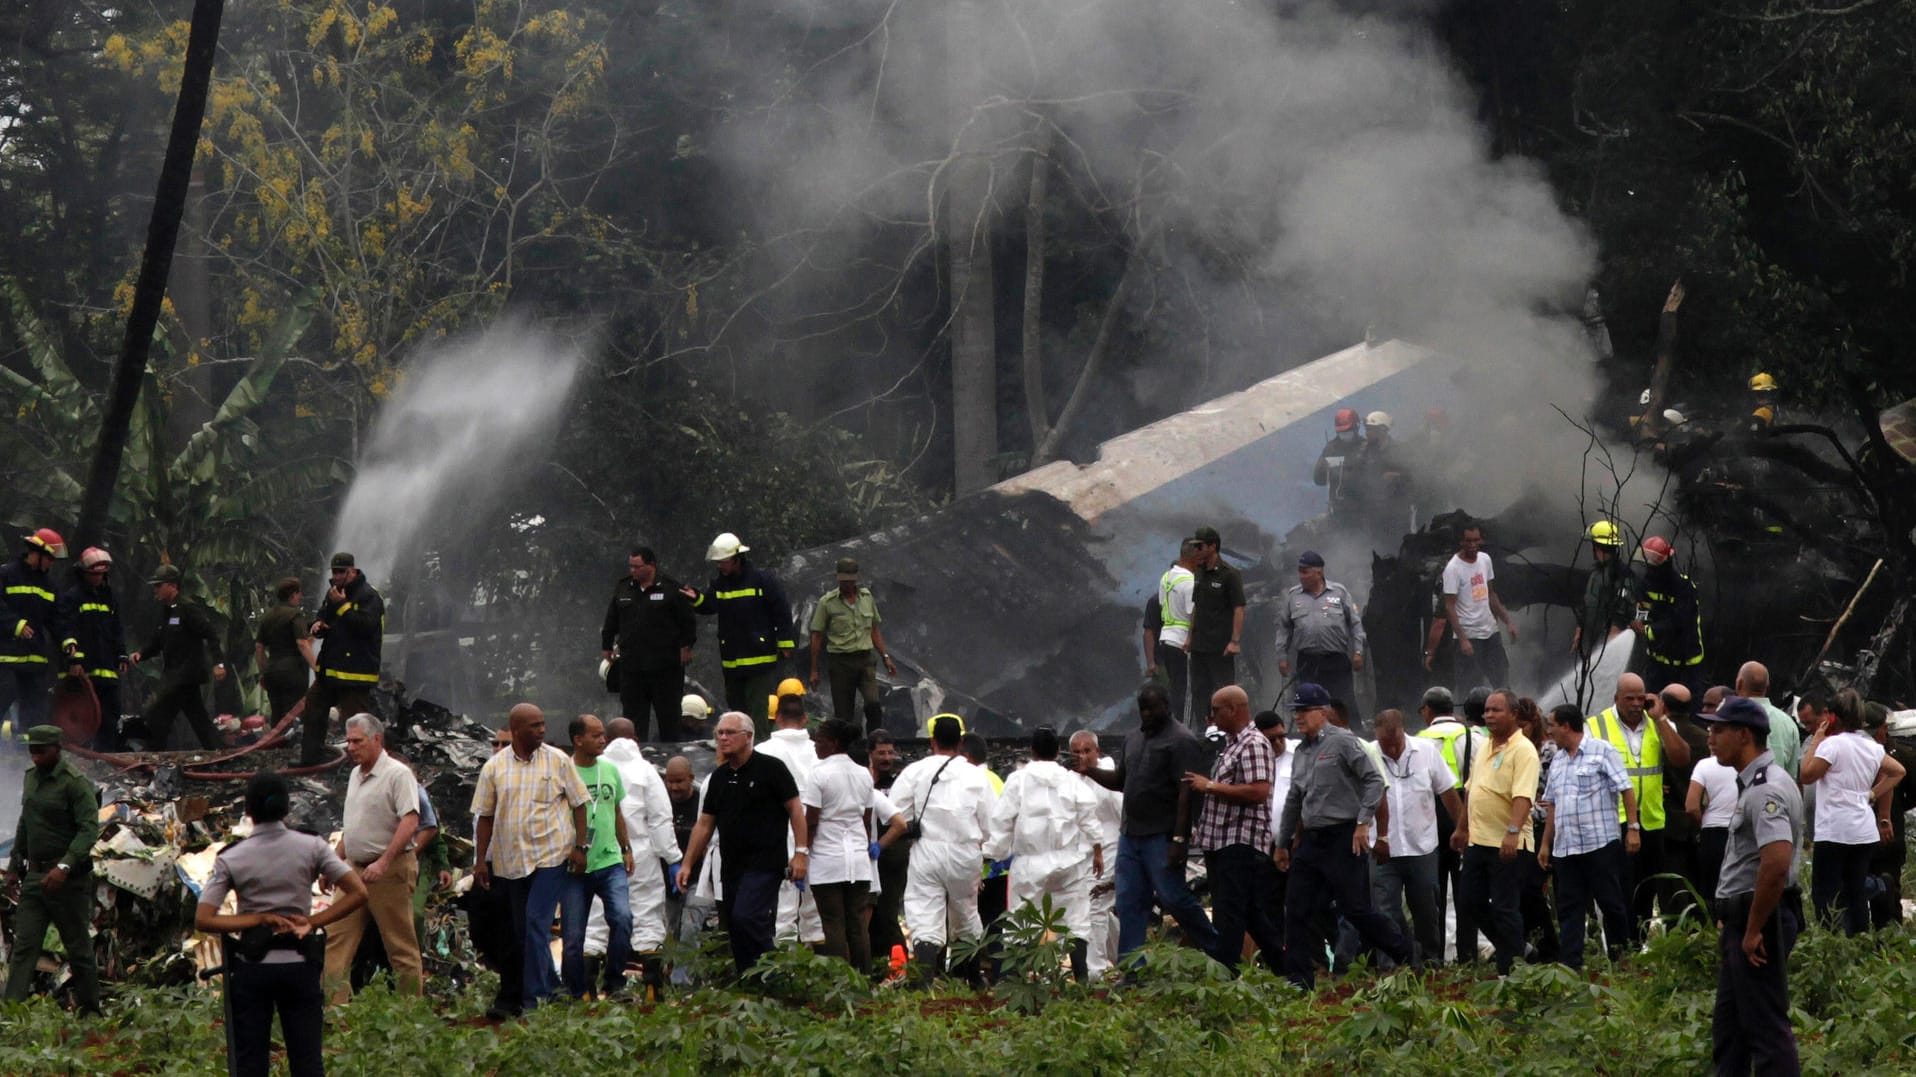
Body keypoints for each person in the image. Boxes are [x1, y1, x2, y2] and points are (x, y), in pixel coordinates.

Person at [196, 771, 368, 1077]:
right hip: (300, 965)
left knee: (251, 1062)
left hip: (252, 970)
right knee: (307, 1060)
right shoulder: (313, 847)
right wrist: (313, 921)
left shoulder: (232, 858)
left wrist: (257, 918)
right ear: (287, 809)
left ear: (248, 812)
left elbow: (204, 918)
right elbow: (358, 892)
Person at [1274, 683, 1410, 988]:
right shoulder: (1301, 751)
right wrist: (1283, 843)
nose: (1299, 717)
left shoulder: (1344, 742)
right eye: (1296, 711)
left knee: (1355, 909)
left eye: (1305, 710)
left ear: (1322, 712)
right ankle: (1299, 979)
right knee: (1295, 907)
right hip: (1312, 839)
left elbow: (1375, 781)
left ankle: (1403, 950)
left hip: (1343, 836)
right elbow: (1294, 799)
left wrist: (1364, 823)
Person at [1699, 695, 1804, 1075]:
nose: (1710, 737)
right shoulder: (1754, 782)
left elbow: (1775, 865)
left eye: (1718, 730)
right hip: (1744, 918)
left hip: (1761, 920)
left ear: (1744, 735)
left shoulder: (1766, 790)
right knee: (1730, 1028)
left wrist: (1754, 927)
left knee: (1765, 1027)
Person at [1084, 684, 1218, 963]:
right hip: (1130, 834)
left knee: (1174, 899)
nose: (1146, 714)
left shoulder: (1181, 740)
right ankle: (1133, 970)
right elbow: (1121, 781)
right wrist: (1090, 771)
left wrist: (1180, 839)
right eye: (1142, 708)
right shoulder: (1133, 738)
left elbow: (1187, 792)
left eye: (1152, 708)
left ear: (1166, 706)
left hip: (1162, 835)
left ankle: (1220, 952)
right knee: (1129, 902)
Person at [471, 702, 592, 1013]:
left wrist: (581, 846)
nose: (542, 730)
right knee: (524, 932)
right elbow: (485, 816)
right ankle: (553, 988)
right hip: (511, 862)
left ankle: (533, 1001)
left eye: (542, 724)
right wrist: (480, 860)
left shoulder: (557, 761)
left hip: (550, 857)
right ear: (515, 731)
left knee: (537, 924)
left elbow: (580, 804)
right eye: (534, 726)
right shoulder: (494, 767)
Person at [677, 711, 808, 976]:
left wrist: (801, 853)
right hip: (731, 864)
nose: (722, 738)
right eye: (719, 733)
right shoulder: (719, 777)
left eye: (729, 733)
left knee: (747, 916)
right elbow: (704, 824)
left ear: (748, 737)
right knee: (735, 926)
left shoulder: (772, 768)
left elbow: (796, 810)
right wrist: (687, 863)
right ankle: (750, 979)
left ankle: (772, 974)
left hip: (765, 862)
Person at [987, 726, 1103, 980]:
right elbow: (1088, 817)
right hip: (1068, 862)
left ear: (1031, 751)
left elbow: (1003, 820)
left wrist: (994, 853)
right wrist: (1097, 850)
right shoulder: (1070, 779)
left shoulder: (1018, 780)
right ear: (1059, 751)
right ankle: (1081, 979)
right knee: (1076, 919)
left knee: (1021, 920)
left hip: (1030, 864)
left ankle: (1018, 981)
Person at [322, 714, 423, 1002]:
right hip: (353, 872)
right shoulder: (355, 775)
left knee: (399, 946)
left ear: (377, 739)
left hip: (389, 872)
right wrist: (333, 863)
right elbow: (352, 827)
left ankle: (409, 1014)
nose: (351, 747)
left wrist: (384, 862)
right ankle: (334, 1012)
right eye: (349, 741)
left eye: (357, 741)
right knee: (336, 939)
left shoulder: (397, 774)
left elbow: (411, 821)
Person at [887, 715, 994, 981]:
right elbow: (992, 823)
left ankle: (924, 980)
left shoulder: (915, 771)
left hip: (927, 851)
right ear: (960, 742)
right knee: (966, 913)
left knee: (924, 910)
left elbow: (894, 812)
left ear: (932, 741)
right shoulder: (977, 776)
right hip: (965, 854)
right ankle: (974, 981)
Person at [1185, 687, 1284, 975]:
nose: (1212, 716)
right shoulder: (1232, 744)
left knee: (1229, 915)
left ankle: (1225, 977)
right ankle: (1290, 973)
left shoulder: (1253, 743)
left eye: (1216, 710)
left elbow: (1259, 790)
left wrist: (1211, 786)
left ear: (1233, 709)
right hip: (1220, 842)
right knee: (1251, 914)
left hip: (1239, 842)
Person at [4, 725, 101, 1013]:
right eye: (31, 751)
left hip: (67, 881)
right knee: (24, 947)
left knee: (78, 948)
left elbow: (88, 830)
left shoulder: (74, 783)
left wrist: (64, 866)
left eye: (41, 752)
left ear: (57, 749)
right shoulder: (32, 779)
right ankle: (12, 1012)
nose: (35, 758)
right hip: (35, 877)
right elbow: (25, 824)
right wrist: (12, 867)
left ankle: (91, 1009)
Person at [1585, 673, 1691, 933]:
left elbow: (1681, 758)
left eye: (1640, 698)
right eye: (1629, 698)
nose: (1635, 704)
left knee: (1647, 888)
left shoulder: (1658, 723)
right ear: (1616, 698)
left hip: (1652, 820)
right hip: (1613, 820)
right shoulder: (1596, 725)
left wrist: (1661, 719)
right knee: (1618, 888)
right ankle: (1620, 945)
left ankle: (1638, 942)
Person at [1537, 704, 1639, 969]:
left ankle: (1621, 958)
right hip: (1566, 848)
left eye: (1552, 725)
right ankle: (1570, 964)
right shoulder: (1558, 760)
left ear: (1566, 726)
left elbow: (1626, 789)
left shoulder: (1602, 751)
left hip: (1599, 843)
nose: (1549, 731)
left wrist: (1633, 828)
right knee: (1569, 907)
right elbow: (1552, 805)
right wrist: (1546, 843)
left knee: (1610, 902)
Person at [588, 717, 681, 998]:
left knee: (596, 919)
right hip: (640, 855)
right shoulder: (646, 772)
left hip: (599, 853)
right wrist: (673, 858)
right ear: (636, 740)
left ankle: (586, 991)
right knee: (647, 916)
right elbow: (660, 820)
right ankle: (652, 988)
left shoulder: (595, 768)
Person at [1800, 689, 1905, 934]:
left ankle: (1831, 941)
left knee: (1825, 894)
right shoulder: (1870, 746)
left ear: (1833, 717)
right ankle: (1859, 937)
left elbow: (1807, 774)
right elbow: (1898, 771)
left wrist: (1817, 738)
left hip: (1834, 830)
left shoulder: (1832, 745)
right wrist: (1871, 794)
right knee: (1856, 891)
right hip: (1863, 831)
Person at [1451, 689, 1538, 977]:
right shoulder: (1485, 746)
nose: (1489, 715)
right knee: (1469, 902)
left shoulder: (1523, 750)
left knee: (1504, 907)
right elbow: (1471, 790)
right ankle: (1516, 947)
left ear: (1514, 714)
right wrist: (1462, 828)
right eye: (1487, 710)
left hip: (1508, 842)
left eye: (1496, 710)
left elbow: (1523, 797)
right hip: (1478, 840)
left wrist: (1512, 832)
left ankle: (1510, 973)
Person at [1370, 708, 1463, 968]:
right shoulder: (1368, 755)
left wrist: (1462, 828)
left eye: (1395, 743)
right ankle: (1390, 965)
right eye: (1384, 745)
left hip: (1422, 847)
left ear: (1403, 731)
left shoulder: (1427, 752)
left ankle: (1431, 962)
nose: (1390, 750)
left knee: (1426, 910)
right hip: (1382, 850)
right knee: (1384, 910)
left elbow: (1448, 794)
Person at [686, 533, 796, 738]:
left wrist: (785, 642)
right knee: (737, 712)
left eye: (724, 562)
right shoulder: (720, 584)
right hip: (732, 661)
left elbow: (781, 611)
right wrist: (696, 598)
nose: (720, 566)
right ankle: (739, 750)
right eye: (718, 562)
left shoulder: (763, 581)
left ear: (738, 559)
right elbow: (709, 605)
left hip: (759, 659)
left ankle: (759, 751)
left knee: (757, 712)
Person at [558, 714, 635, 998]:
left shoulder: (610, 770)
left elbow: (616, 811)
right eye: (596, 735)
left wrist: (626, 848)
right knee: (573, 937)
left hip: (609, 861)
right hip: (574, 869)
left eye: (604, 734)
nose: (603, 740)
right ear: (578, 740)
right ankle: (575, 991)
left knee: (622, 918)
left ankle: (615, 983)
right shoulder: (563, 772)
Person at [799, 719, 877, 972]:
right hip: (857, 858)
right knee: (857, 924)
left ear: (832, 744)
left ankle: (839, 982)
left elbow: (811, 821)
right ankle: (864, 978)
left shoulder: (819, 773)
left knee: (833, 923)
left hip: (827, 857)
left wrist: (802, 854)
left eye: (819, 741)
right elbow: (866, 819)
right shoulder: (864, 773)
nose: (815, 745)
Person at [601, 546, 697, 741]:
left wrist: (686, 646)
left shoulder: (671, 588)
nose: (633, 571)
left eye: (637, 566)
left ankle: (672, 759)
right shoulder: (623, 587)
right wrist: (607, 645)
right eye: (630, 566)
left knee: (669, 716)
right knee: (633, 719)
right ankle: (636, 756)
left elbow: (687, 621)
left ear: (651, 565)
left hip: (665, 667)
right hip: (632, 667)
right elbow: (612, 618)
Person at [753, 692, 826, 949]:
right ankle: (818, 963)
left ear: (777, 718)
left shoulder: (761, 752)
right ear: (805, 719)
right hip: (817, 829)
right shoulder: (820, 751)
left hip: (777, 829)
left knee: (783, 900)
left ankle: (783, 962)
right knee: (814, 901)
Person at [1416, 686, 1482, 964]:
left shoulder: (1418, 741)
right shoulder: (1471, 736)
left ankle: (1436, 954)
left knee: (1435, 890)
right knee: (1466, 886)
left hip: (1431, 815)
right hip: (1466, 812)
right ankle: (1468, 954)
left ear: (1427, 711)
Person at [128, 564, 224, 750]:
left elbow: (210, 633)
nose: (155, 589)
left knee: (158, 712)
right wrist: (142, 654)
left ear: (172, 586)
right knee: (197, 717)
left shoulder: (187, 608)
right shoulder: (168, 611)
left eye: (159, 585)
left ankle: (152, 754)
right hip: (177, 675)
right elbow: (159, 641)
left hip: (184, 675)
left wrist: (218, 663)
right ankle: (217, 751)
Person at [301, 553, 384, 766]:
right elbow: (324, 616)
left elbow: (365, 627)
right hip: (329, 671)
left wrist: (343, 605)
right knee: (312, 710)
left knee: (356, 723)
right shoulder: (333, 594)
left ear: (352, 571)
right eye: (334, 572)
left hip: (355, 674)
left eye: (341, 572)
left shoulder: (369, 596)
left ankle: (361, 766)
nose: (336, 577)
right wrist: (317, 625)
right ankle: (311, 759)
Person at [1424, 522, 1517, 690]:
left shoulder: (1485, 560)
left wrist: (1507, 621)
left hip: (1491, 633)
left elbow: (1491, 594)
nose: (1473, 545)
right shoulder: (1453, 569)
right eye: (1468, 541)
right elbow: (1449, 607)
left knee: (1503, 683)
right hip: (1469, 637)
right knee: (1470, 688)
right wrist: (1462, 639)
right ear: (1461, 541)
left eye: (1476, 540)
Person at [808, 558, 897, 733]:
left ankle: (874, 743)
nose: (847, 584)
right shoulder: (827, 602)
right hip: (840, 662)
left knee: (873, 704)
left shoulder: (866, 597)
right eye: (843, 580)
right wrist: (814, 669)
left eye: (850, 580)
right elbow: (817, 635)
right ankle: (847, 751)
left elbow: (874, 628)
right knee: (843, 714)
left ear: (857, 578)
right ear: (837, 578)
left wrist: (885, 657)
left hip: (865, 660)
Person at [55, 547, 128, 751]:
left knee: (110, 715)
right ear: (84, 573)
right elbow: (66, 629)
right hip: (84, 671)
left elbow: (117, 628)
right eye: (94, 574)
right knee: (85, 717)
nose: (98, 578)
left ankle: (107, 755)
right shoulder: (73, 597)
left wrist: (122, 654)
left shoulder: (109, 597)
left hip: (107, 668)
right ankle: (85, 756)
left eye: (101, 574)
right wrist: (74, 659)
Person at [1272, 550, 1366, 709]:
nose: (1301, 576)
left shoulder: (1339, 592)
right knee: (1310, 706)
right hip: (1307, 661)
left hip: (1336, 660)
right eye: (1299, 572)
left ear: (1319, 572)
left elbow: (1355, 624)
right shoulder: (1293, 596)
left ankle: (1352, 732)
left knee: (1343, 704)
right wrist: (1282, 657)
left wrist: (1358, 652)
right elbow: (1284, 629)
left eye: (1305, 572)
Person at [1067, 729, 1123, 977]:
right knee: (1091, 906)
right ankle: (1127, 957)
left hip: (1109, 848)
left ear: (1097, 752)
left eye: (1087, 750)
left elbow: (1123, 816)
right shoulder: (1069, 779)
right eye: (1077, 752)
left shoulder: (1110, 776)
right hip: (1079, 854)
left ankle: (1095, 970)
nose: (1082, 756)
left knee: (1096, 907)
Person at [0, 529, 65, 732]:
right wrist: (15, 625)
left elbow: (57, 620)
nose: (51, 563)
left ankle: (28, 755)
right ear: (36, 553)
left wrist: (68, 641)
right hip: (6, 658)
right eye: (49, 558)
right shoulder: (6, 574)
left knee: (35, 713)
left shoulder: (50, 586)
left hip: (35, 660)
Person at [1658, 685, 1712, 917]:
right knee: (1699, 889)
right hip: (1699, 824)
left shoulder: (1658, 735)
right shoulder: (1705, 739)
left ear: (1664, 705)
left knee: (1672, 894)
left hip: (1669, 826)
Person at [1186, 527, 1245, 726]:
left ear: (1212, 546)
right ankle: (1203, 730)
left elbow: (1239, 608)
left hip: (1220, 647)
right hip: (1199, 645)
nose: (1196, 551)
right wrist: (1189, 637)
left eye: (1200, 547)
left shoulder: (1229, 575)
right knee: (1199, 690)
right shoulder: (1199, 573)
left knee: (1224, 692)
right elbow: (1196, 606)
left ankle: (1227, 730)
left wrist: (1235, 641)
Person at [1634, 537, 1705, 695]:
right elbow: (1642, 612)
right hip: (1657, 665)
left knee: (1686, 712)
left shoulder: (1684, 587)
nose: (1649, 567)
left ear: (1666, 562)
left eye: (1653, 562)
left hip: (1686, 666)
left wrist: (1648, 630)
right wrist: (1637, 623)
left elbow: (1679, 622)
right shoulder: (1645, 585)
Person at [1572, 521, 1635, 669]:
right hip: (1591, 637)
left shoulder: (1622, 575)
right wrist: (1579, 629)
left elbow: (1625, 605)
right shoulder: (1596, 573)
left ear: (1599, 547)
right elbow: (1588, 601)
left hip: (1607, 639)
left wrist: (1614, 632)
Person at [1687, 735, 1739, 913]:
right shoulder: (1744, 765)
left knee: (1711, 891)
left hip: (1712, 833)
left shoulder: (1704, 766)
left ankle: (1713, 931)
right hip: (1740, 831)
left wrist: (1703, 821)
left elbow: (1691, 806)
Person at [253, 577, 315, 725]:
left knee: (277, 714)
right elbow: (302, 644)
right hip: (293, 672)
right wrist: (317, 668)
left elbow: (259, 648)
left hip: (272, 672)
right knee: (293, 714)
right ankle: (291, 746)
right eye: (299, 594)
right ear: (293, 595)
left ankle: (276, 746)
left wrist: (264, 672)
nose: (300, 597)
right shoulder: (294, 615)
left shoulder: (268, 617)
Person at [1153, 540, 1202, 724]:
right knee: (1185, 689)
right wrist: (1190, 637)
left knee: (1175, 686)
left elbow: (1161, 604)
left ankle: (1171, 723)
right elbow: (1193, 612)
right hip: (1182, 641)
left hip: (1166, 637)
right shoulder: (1189, 581)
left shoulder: (1166, 577)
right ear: (1192, 558)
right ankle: (1180, 725)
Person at [1733, 662, 1802, 779]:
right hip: (1778, 793)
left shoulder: (1730, 718)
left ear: (1739, 684)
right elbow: (1792, 776)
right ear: (1767, 687)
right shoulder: (1788, 724)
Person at [1312, 407, 1364, 514]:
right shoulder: (1331, 449)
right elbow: (1319, 480)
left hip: (1363, 509)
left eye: (1348, 431)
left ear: (1356, 427)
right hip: (1338, 510)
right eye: (1341, 432)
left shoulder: (1366, 447)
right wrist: (1326, 468)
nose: (1344, 434)